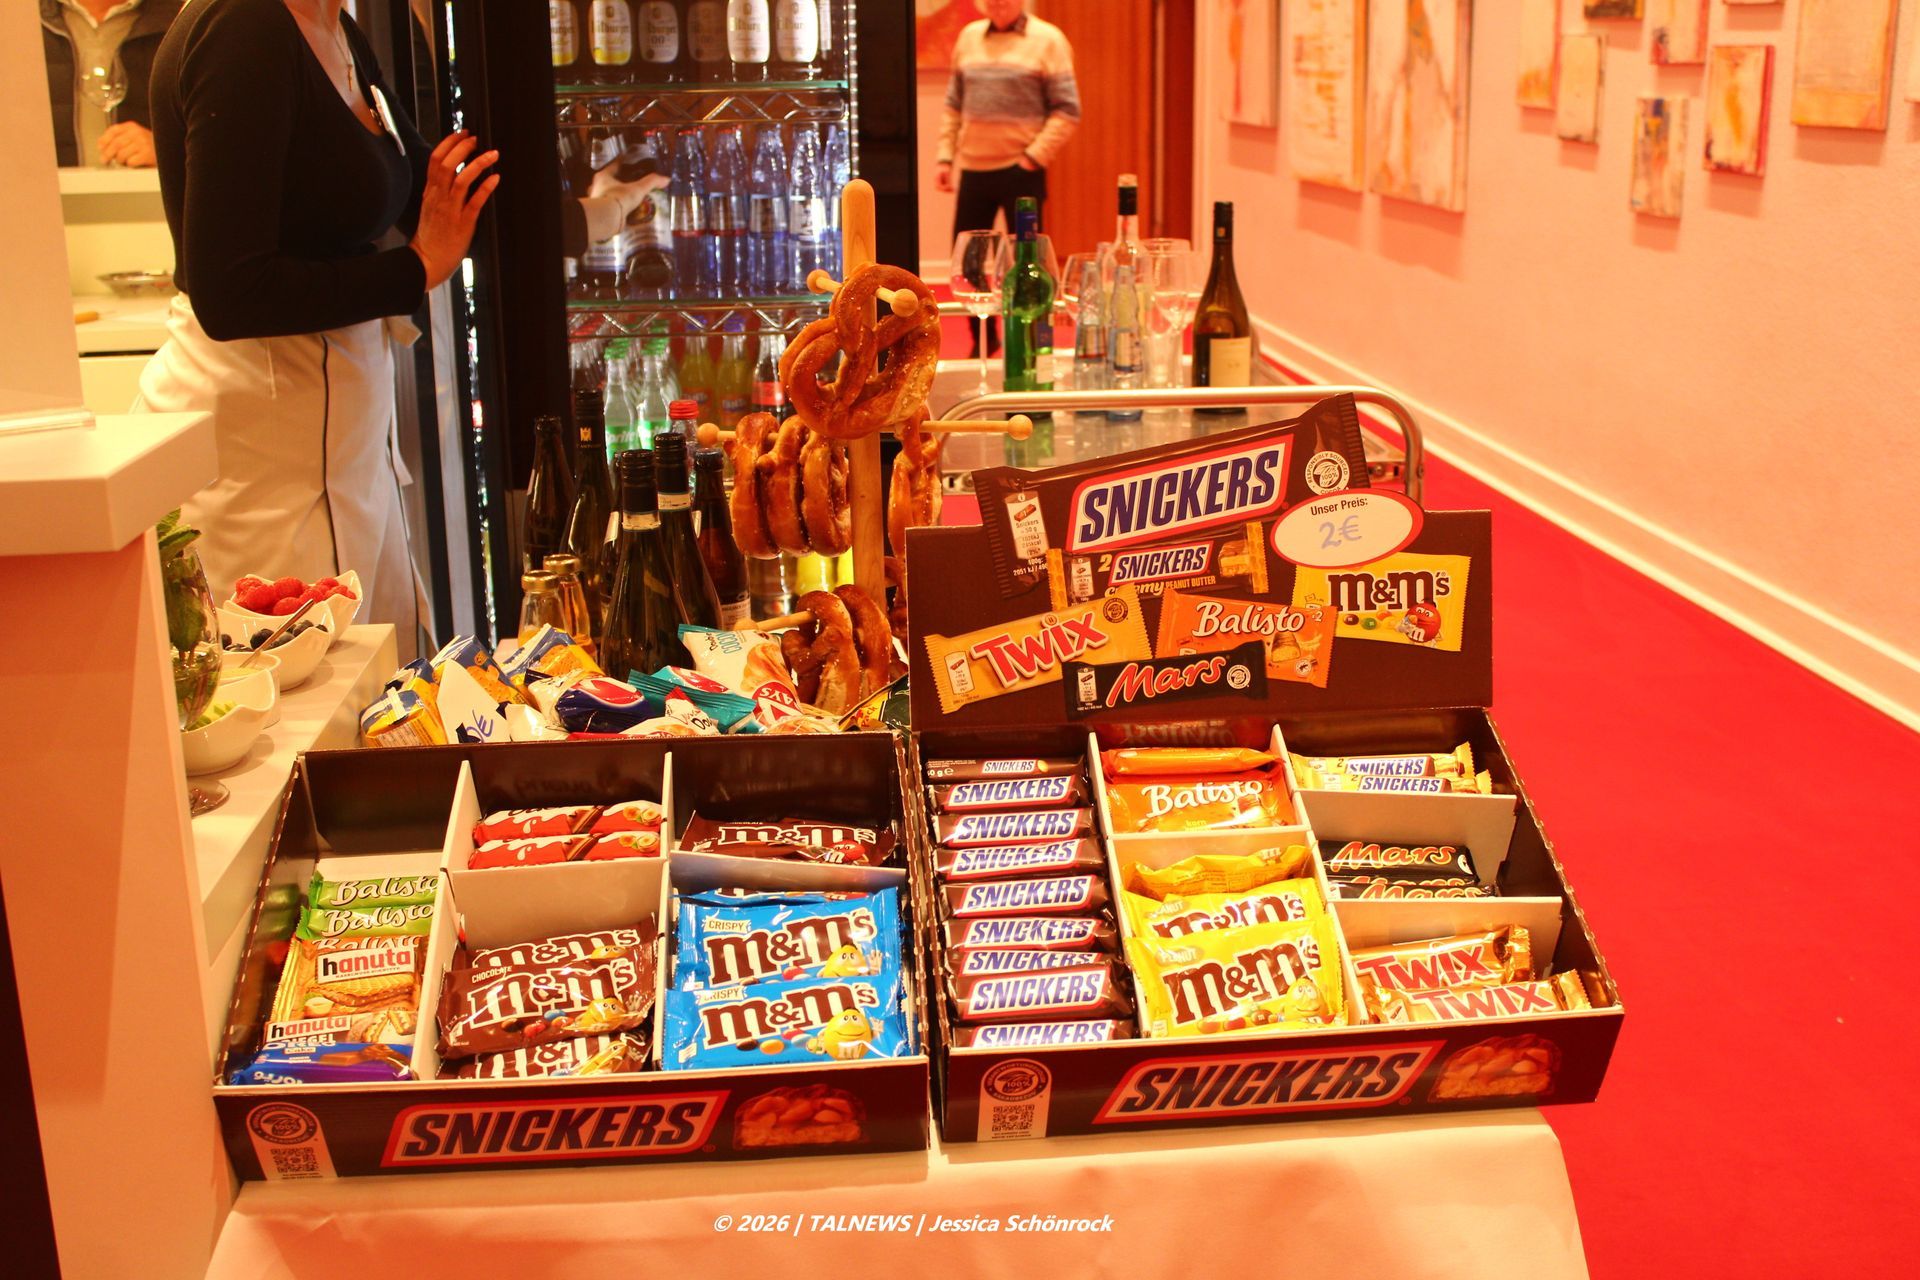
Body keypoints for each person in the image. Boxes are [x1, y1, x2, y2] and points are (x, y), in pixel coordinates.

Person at [135, 0, 499, 661]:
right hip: (263, 448)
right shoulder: (242, 30)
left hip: (343, 438)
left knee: (377, 685)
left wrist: (591, 208)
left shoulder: (337, 28)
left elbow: (437, 190)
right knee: (294, 701)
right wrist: (414, 269)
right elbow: (230, 293)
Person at [934, 0, 1080, 351]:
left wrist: (1032, 158)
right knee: (967, 262)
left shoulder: (1048, 40)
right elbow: (953, 105)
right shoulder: (969, 37)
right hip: (974, 169)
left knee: (1028, 263)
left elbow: (1067, 110)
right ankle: (983, 341)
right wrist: (945, 157)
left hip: (1021, 172)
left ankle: (1027, 342)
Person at [41, 0, 181, 168]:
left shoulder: (181, 23)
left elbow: (204, 141)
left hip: (144, 184)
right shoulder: (23, 23)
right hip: (44, 184)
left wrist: (169, 151)